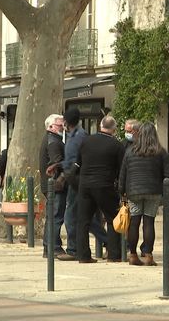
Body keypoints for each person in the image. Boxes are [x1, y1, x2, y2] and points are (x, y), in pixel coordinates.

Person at [48, 107, 107, 261]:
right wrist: (59, 165)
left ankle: (74, 249)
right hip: (73, 179)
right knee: (84, 217)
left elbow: (78, 160)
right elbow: (71, 159)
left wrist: (64, 174)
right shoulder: (71, 136)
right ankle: (109, 242)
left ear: (68, 122)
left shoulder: (80, 137)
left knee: (72, 216)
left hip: (78, 180)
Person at [119, 122, 169, 266]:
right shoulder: (160, 152)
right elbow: (167, 174)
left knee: (134, 222)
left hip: (133, 191)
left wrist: (122, 191)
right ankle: (148, 255)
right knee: (149, 222)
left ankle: (133, 255)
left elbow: (123, 173)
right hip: (153, 191)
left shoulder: (130, 151)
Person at [77, 115, 124, 263]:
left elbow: (79, 162)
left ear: (100, 126)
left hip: (85, 185)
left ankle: (83, 255)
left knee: (83, 220)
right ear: (114, 129)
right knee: (112, 218)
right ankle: (114, 254)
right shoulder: (116, 145)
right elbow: (121, 168)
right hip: (105, 185)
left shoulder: (86, 141)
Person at [39, 113, 67, 258]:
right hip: (55, 185)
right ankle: (54, 248)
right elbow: (56, 162)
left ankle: (48, 247)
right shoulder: (54, 141)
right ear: (50, 127)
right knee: (55, 217)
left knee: (53, 216)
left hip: (51, 184)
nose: (63, 127)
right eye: (59, 125)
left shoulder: (52, 139)